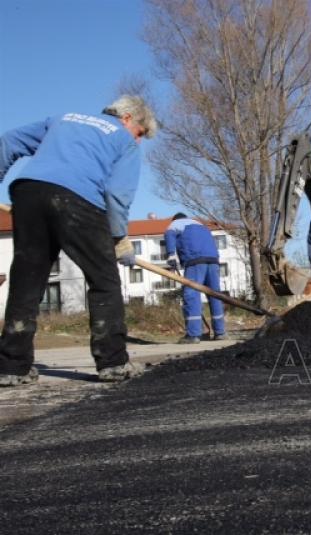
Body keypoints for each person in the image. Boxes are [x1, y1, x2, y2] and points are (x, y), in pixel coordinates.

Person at [0, 95, 157, 386]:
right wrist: (118, 236)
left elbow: (9, 141)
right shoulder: (123, 140)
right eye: (140, 133)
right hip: (78, 200)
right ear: (127, 119)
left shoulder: (62, 119)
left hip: (28, 193)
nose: (138, 141)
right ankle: (113, 362)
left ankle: (12, 367)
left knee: (27, 282)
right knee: (104, 280)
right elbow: (117, 193)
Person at [164, 213, 227, 343]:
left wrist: (171, 255)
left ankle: (193, 335)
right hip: (213, 260)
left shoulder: (175, 224)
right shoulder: (200, 225)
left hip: (195, 261)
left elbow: (169, 235)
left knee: (191, 294)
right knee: (215, 295)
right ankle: (220, 332)